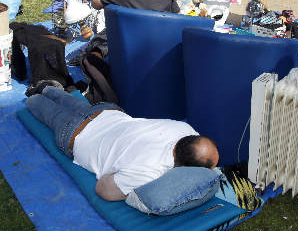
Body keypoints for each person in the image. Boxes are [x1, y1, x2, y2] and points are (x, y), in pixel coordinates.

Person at [25, 86, 219, 201]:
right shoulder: (149, 172)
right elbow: (103, 190)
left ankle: (47, 88)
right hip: (74, 133)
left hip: (106, 112)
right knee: (39, 106)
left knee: (67, 99)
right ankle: (34, 95)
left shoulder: (185, 130)